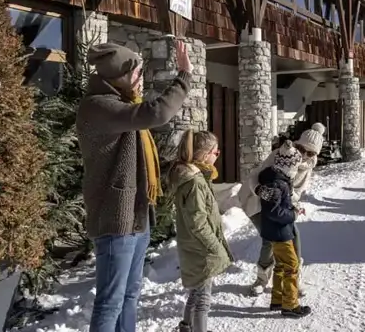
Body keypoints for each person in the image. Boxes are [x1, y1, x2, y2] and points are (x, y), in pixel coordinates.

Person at [77, 41, 193, 332]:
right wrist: (183, 76)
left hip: (136, 215)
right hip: (116, 218)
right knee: (110, 301)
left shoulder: (122, 103)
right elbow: (157, 113)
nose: (142, 79)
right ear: (120, 75)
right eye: (138, 73)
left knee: (130, 295)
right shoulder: (99, 106)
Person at [239, 122, 325, 295]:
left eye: (311, 153)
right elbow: (255, 175)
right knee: (269, 239)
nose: (305, 155)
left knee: (294, 235)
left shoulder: (308, 167)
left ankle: (294, 277)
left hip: (281, 204)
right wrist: (259, 190)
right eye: (302, 149)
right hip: (256, 202)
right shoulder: (281, 155)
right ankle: (261, 279)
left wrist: (288, 201)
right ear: (297, 144)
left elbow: (298, 191)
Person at [169, 130, 233, 332]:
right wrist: (216, 247)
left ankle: (187, 326)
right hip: (200, 249)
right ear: (205, 155)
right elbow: (198, 223)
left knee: (196, 291)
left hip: (194, 246)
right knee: (203, 298)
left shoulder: (195, 177)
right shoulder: (195, 182)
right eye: (216, 152)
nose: (218, 154)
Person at [256, 141, 312, 318]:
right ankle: (290, 305)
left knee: (281, 265)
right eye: (295, 166)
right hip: (280, 231)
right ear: (288, 166)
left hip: (276, 230)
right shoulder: (276, 184)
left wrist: (293, 207)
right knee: (291, 266)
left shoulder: (277, 180)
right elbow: (274, 211)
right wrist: (293, 214)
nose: (296, 170)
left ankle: (278, 299)